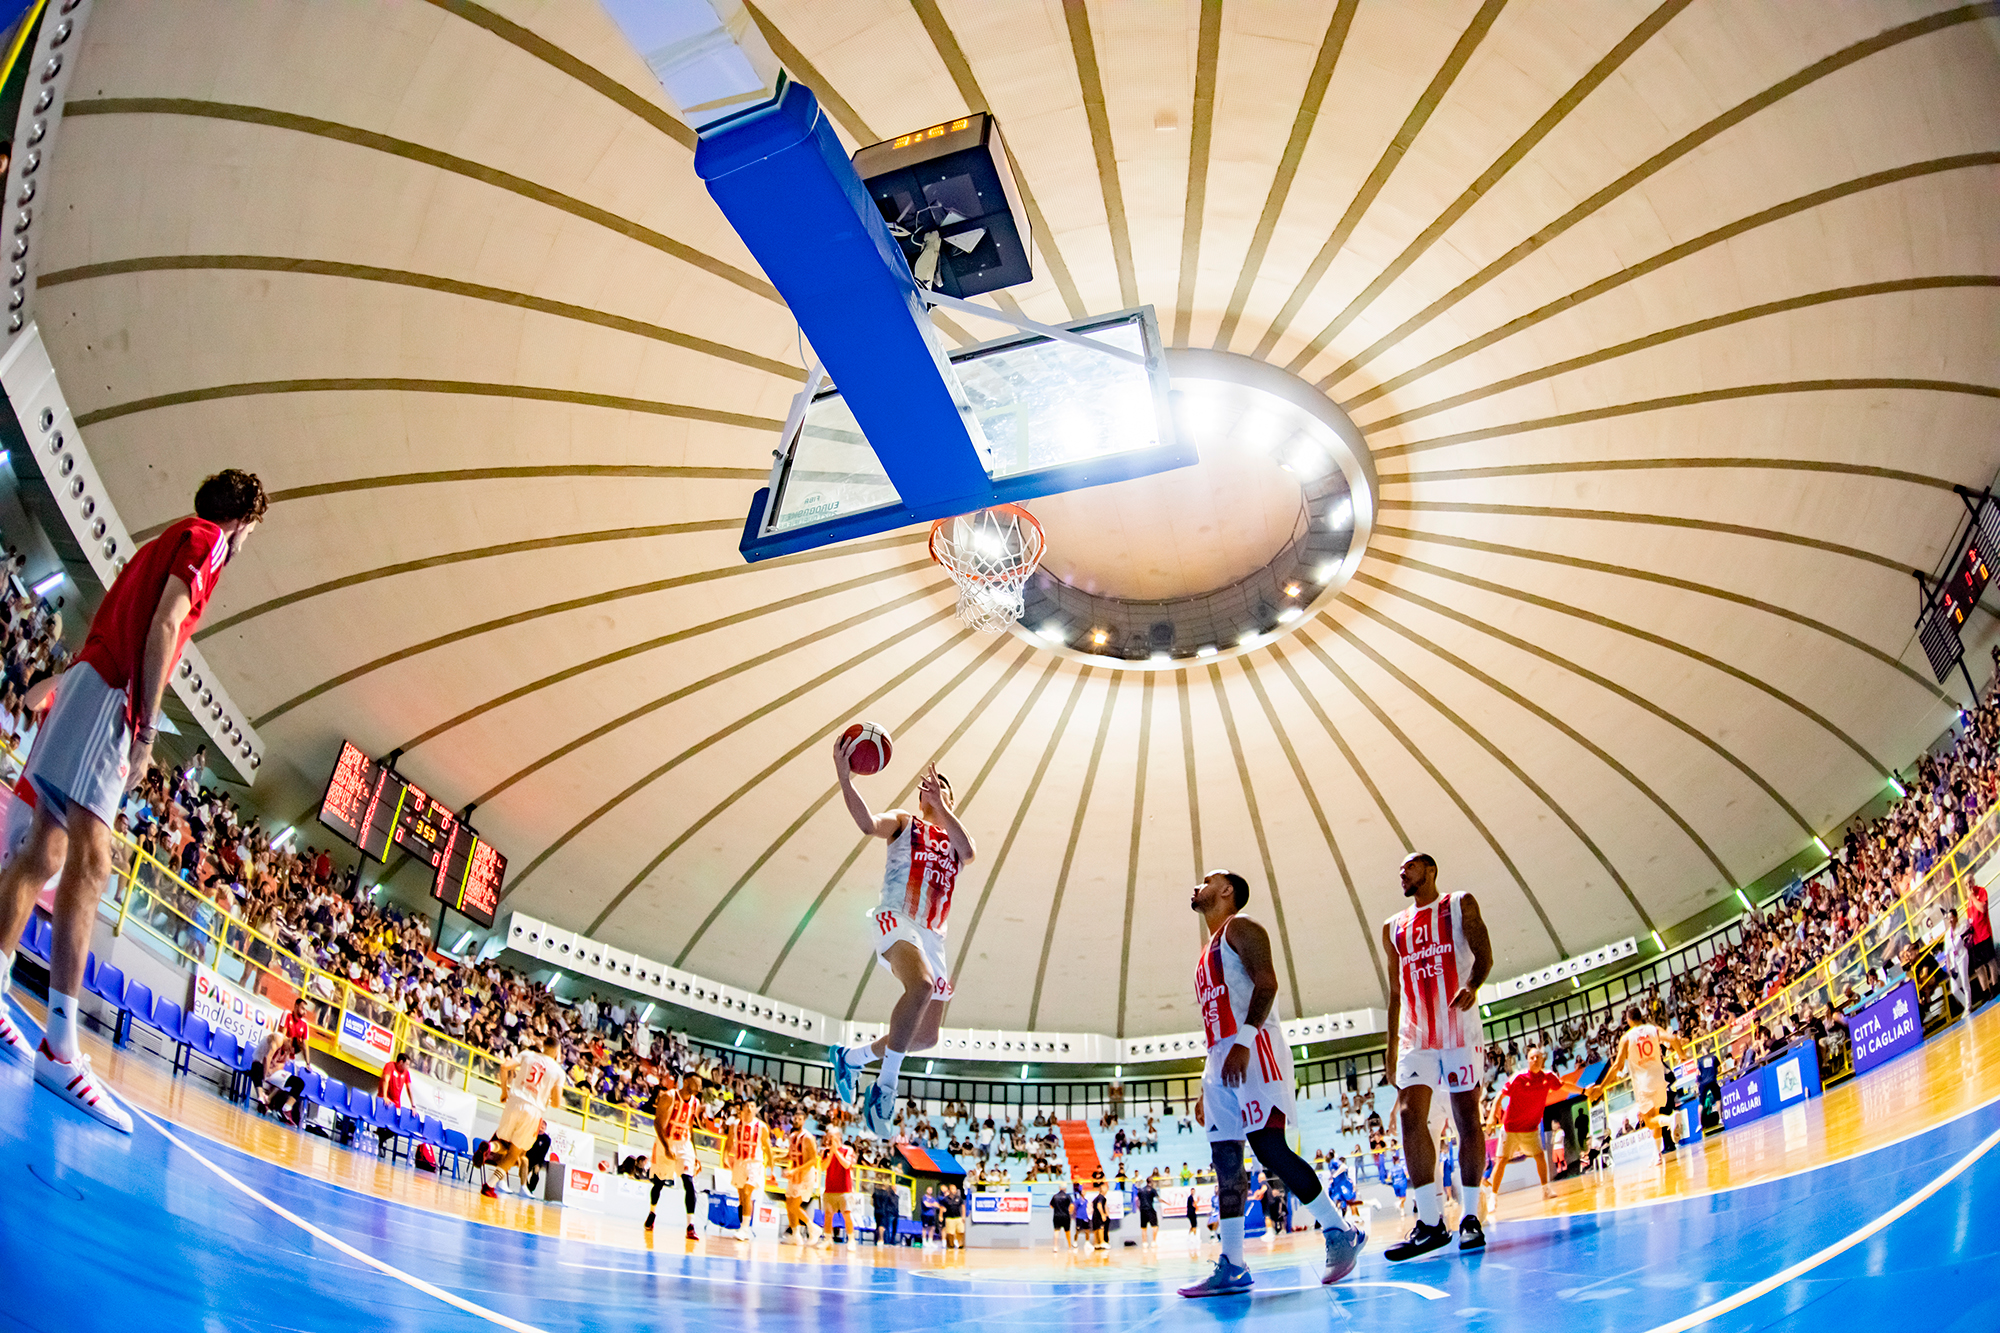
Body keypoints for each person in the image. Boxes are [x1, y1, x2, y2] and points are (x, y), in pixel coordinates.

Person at [0, 469, 265, 1129]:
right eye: (252, 532)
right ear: (240, 521)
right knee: (92, 862)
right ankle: (61, 1046)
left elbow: (111, 625)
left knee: (43, 853)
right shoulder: (205, 542)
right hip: (114, 694)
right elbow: (165, 625)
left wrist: (56, 682)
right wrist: (145, 726)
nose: (246, 544)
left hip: (90, 681)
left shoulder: (162, 540)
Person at [1178, 870, 1367, 1298]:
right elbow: (1214, 1019)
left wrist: (1243, 1042)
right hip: (1220, 1060)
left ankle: (1340, 1230)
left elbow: (1268, 983)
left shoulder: (1241, 929)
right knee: (1226, 1162)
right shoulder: (1204, 951)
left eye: (1206, 880)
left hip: (1255, 1047)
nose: (1196, 886)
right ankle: (1233, 1265)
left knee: (1269, 1148)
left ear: (1227, 891)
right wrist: (1205, 1082)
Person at [827, 750, 976, 1137]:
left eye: (944, 787)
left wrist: (942, 809)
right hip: (898, 917)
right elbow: (867, 823)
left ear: (952, 801)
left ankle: (851, 1058)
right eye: (931, 785)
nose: (936, 787)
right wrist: (846, 780)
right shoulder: (905, 822)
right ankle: (886, 1087)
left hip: (933, 936)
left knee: (925, 1037)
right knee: (922, 986)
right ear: (919, 796)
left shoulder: (956, 841)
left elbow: (970, 852)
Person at [1381, 853, 1493, 1262]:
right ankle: (1430, 1223)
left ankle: (1470, 1216)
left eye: (1409, 867)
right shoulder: (1392, 927)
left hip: (1458, 1029)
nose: (1402, 873)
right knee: (1411, 1115)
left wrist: (1474, 985)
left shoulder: (1460, 904)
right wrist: (1391, 1048)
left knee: (1466, 1118)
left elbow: (1484, 956)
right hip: (1416, 1035)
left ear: (1431, 871)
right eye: (1400, 869)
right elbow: (1395, 991)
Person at [484, 1035, 563, 1199]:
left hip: (514, 1101)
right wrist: (544, 1094)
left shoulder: (528, 1054)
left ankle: (490, 1148)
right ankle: (489, 1185)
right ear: (556, 1051)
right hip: (533, 1110)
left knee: (504, 1141)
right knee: (515, 1153)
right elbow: (556, 1103)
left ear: (543, 1046)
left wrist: (504, 1091)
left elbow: (504, 1066)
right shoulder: (558, 1071)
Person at [1599, 1008, 1685, 1154]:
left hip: (1643, 1084)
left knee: (1650, 1120)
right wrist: (1682, 1056)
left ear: (1628, 1020)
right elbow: (1674, 1039)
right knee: (1655, 1115)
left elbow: (1617, 1066)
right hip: (1660, 1080)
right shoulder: (1654, 1029)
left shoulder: (1626, 1038)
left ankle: (1670, 1120)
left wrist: (1601, 1086)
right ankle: (1657, 1154)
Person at [1488, 1047, 1562, 1199]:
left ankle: (1546, 1190)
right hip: (1511, 1129)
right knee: (1501, 1161)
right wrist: (1491, 1115)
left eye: (1538, 1057)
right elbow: (1499, 1096)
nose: (1535, 1060)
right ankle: (1493, 1198)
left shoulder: (1548, 1077)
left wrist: (1583, 1091)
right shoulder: (1518, 1077)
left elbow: (1563, 1085)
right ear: (1527, 1060)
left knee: (1540, 1156)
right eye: (1532, 1057)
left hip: (1531, 1129)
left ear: (1542, 1059)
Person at [647, 1073, 709, 1239]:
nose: (700, 1086)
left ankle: (690, 1225)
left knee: (689, 1182)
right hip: (667, 1140)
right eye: (698, 1082)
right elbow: (658, 1123)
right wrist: (667, 1147)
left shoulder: (695, 1103)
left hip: (684, 1143)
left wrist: (694, 1154)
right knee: (659, 1183)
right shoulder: (669, 1096)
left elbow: (690, 1126)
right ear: (687, 1081)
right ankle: (652, 1213)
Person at [723, 1099, 774, 1240]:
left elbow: (767, 1146)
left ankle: (745, 1228)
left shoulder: (761, 1126)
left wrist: (771, 1164)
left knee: (747, 1192)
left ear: (756, 1109)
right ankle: (744, 1226)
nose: (749, 1108)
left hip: (755, 1163)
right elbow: (729, 1140)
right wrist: (725, 1157)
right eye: (747, 1106)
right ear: (743, 1108)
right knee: (741, 1196)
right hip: (740, 1162)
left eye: (752, 1106)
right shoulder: (735, 1124)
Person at [782, 1117, 825, 1246]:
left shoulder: (808, 1138)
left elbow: (812, 1160)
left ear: (804, 1121)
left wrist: (795, 1171)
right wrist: (775, 1158)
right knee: (789, 1203)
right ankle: (795, 1235)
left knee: (794, 1205)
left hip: (806, 1175)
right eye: (795, 1118)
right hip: (795, 1174)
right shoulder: (793, 1136)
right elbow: (790, 1155)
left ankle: (813, 1227)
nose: (796, 1121)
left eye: (799, 1119)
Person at [821, 1125, 857, 1244]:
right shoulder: (825, 1151)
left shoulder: (848, 1150)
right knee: (828, 1215)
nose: (830, 1138)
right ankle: (827, 1239)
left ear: (838, 1137)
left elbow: (846, 1165)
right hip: (830, 1188)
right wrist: (831, 1153)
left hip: (844, 1189)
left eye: (832, 1136)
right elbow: (822, 1167)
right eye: (829, 1136)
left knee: (846, 1215)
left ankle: (851, 1239)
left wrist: (836, 1151)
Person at [376, 1049, 412, 1154]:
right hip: (385, 1101)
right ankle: (380, 1141)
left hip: (396, 1104)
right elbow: (385, 1080)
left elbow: (409, 1088)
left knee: (396, 1127)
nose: (408, 1067)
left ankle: (380, 1139)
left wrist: (413, 1105)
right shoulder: (390, 1066)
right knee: (383, 1124)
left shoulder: (406, 1073)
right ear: (401, 1062)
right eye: (407, 1064)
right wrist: (385, 1096)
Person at [1135, 1173, 1160, 1246]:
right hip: (1150, 1209)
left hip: (1143, 1210)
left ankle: (1144, 1243)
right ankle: (1153, 1241)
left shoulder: (1141, 1190)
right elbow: (1158, 1198)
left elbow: (1137, 1200)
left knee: (1143, 1228)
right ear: (1151, 1182)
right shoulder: (1152, 1190)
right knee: (1155, 1226)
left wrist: (1139, 1208)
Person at [1050, 1181, 1075, 1252]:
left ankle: (1055, 1246)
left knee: (1056, 1231)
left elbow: (1051, 1206)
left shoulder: (1055, 1196)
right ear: (1065, 1188)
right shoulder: (1068, 1196)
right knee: (1067, 1231)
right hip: (1066, 1216)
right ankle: (1069, 1246)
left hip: (1057, 1216)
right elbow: (1072, 1205)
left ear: (1059, 1188)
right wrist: (1070, 1212)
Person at [940, 1182, 966, 1250]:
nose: (954, 1190)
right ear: (949, 1190)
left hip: (958, 1217)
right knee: (950, 1233)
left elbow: (963, 1206)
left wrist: (963, 1216)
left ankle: (961, 1245)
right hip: (949, 1218)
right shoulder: (945, 1199)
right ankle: (950, 1246)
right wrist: (941, 1216)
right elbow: (941, 1207)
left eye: (955, 1189)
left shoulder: (959, 1198)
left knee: (961, 1231)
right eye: (952, 1189)